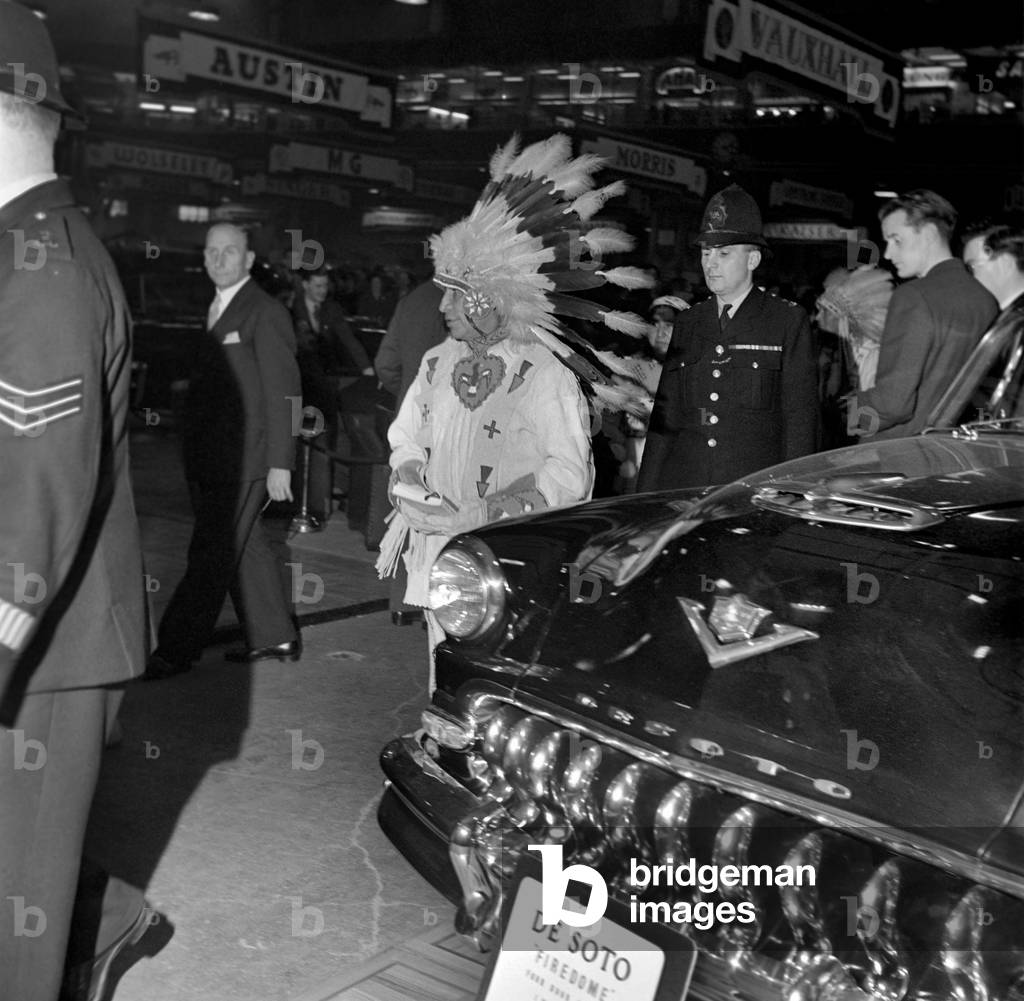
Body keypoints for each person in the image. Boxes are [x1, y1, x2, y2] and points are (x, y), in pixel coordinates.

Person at [377, 133, 654, 690]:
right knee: (443, 674)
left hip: (512, 562)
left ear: (492, 299)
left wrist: (477, 514)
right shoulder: (436, 362)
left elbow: (569, 477)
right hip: (442, 557)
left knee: (502, 684)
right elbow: (405, 435)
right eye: (445, 293)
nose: (445, 307)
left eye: (458, 294)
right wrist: (408, 477)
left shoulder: (547, 374)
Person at [0, 4, 154, 998]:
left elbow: (38, 486)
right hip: (45, 633)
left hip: (48, 646)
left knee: (17, 910)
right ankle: (109, 918)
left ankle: (87, 930)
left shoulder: (44, 263)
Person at [146, 223, 302, 679]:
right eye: (212, 252)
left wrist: (281, 463)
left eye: (229, 252)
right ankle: (276, 636)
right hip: (215, 458)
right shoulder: (216, 307)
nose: (218, 260)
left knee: (210, 553)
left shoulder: (265, 312)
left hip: (248, 460)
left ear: (249, 260)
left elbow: (286, 395)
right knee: (245, 545)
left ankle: (176, 649)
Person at [638, 184, 818, 490]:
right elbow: (664, 422)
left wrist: (792, 494)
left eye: (724, 253)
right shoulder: (689, 322)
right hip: (686, 487)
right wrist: (644, 497)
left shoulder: (786, 321)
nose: (710, 263)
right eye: (706, 253)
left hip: (751, 490)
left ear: (753, 260)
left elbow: (800, 422)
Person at [849, 189, 998, 440]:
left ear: (929, 234)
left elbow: (893, 404)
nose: (887, 253)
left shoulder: (913, 296)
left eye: (896, 240)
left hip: (901, 453)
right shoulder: (985, 298)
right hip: (958, 447)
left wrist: (850, 413)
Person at [373, 279, 449, 625]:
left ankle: (404, 603)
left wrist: (403, 390)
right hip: (454, 421)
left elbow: (385, 362)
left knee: (410, 502)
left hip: (411, 413)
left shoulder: (413, 299)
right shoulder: (476, 299)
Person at [816, 265, 894, 391]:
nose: (817, 318)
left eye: (824, 311)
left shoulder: (871, 355)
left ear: (841, 316)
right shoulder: (847, 348)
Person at [294, 268, 374, 377]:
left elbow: (349, 340)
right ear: (305, 285)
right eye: (318, 286)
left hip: (323, 372)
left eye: (325, 285)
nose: (323, 291)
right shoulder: (291, 308)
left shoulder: (332, 309)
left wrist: (366, 368)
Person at [961, 221, 1024, 314]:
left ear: (1005, 263)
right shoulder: (1010, 314)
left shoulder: (1018, 319)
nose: (968, 278)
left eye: (971, 267)